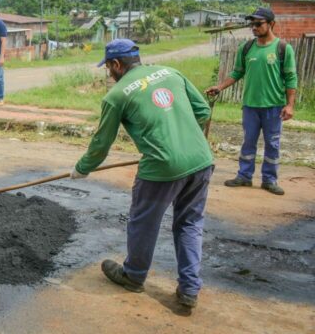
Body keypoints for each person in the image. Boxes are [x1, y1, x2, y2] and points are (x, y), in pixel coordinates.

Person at [70, 39, 214, 309]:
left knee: (144, 222)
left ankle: (134, 276)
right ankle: (189, 289)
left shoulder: (117, 95)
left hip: (161, 168)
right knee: (190, 223)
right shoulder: (171, 73)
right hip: (201, 160)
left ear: (116, 64)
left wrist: (82, 168)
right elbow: (203, 111)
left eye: (108, 68)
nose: (109, 74)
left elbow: (101, 144)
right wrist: (178, 139)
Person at [206, 7, 297, 196]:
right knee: (248, 142)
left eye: (258, 23)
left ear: (271, 24)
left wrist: (289, 105)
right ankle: (244, 176)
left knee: (272, 144)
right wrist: (220, 87)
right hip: (250, 106)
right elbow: (237, 72)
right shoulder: (246, 48)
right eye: (252, 24)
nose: (254, 27)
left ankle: (269, 180)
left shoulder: (282, 48)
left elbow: (291, 78)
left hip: (274, 107)